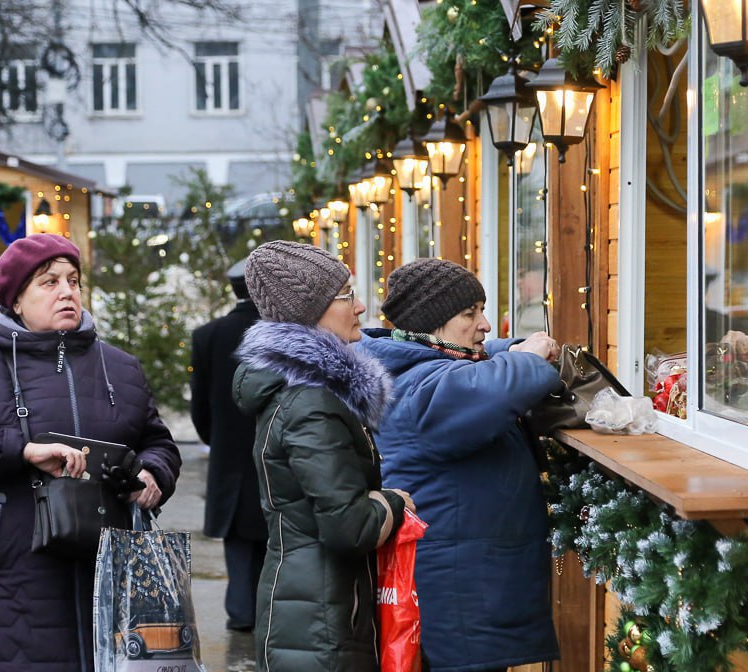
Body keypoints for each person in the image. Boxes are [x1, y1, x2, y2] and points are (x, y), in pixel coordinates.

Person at [0, 233, 182, 672]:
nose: (66, 291)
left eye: (73, 280)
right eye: (48, 282)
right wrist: (22, 450)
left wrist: (155, 475)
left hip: (114, 582)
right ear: (16, 302)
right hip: (14, 588)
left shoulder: (120, 366)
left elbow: (158, 442)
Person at [359, 257, 563, 672]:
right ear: (431, 327)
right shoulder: (423, 387)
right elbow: (496, 386)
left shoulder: (420, 366)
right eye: (470, 314)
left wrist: (516, 349)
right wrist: (531, 357)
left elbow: (486, 359)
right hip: (457, 596)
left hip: (465, 586)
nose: (485, 324)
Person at [231, 240, 413, 672]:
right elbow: (347, 526)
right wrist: (393, 502)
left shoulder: (307, 394)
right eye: (347, 296)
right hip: (321, 622)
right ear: (310, 312)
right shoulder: (312, 402)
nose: (362, 307)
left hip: (317, 608)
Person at [190, 256, 266, 632]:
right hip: (275, 453)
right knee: (274, 543)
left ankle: (240, 611)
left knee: (236, 543)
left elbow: (199, 407)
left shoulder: (207, 335)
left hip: (228, 455)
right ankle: (267, 611)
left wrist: (217, 439)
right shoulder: (280, 331)